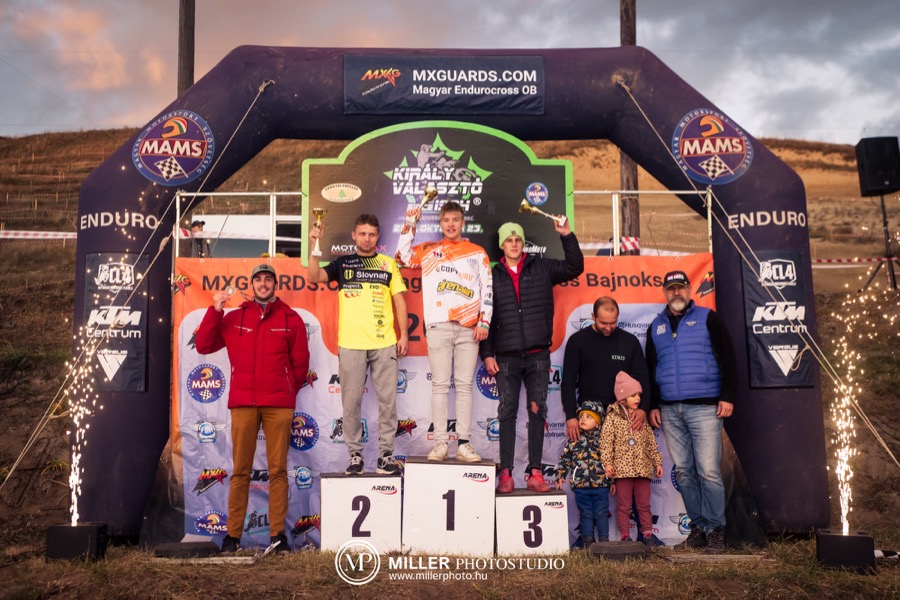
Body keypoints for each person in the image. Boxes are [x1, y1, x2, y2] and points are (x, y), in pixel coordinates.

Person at [195, 263, 310, 553]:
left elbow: (301, 364)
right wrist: (215, 310)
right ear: (252, 284)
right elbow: (203, 345)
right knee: (240, 471)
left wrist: (286, 390)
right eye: (258, 279)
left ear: (274, 284)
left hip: (278, 405)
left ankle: (278, 537)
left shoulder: (291, 318)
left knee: (278, 471)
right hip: (244, 403)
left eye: (268, 279)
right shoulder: (235, 317)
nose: (263, 283)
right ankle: (232, 537)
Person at [479, 219, 583, 493]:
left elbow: (575, 267)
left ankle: (535, 472)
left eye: (518, 240)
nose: (514, 244)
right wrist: (487, 353)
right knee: (506, 413)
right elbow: (486, 316)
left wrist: (567, 235)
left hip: (538, 354)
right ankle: (506, 474)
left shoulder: (542, 267)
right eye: (509, 240)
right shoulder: (491, 275)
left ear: (523, 243)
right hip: (506, 357)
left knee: (537, 412)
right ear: (502, 245)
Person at [307, 214, 408, 476]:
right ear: (354, 235)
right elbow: (313, 276)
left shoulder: (388, 264)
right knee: (351, 402)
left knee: (388, 401)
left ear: (378, 237)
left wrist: (404, 335)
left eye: (371, 234)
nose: (366, 238)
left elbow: (399, 301)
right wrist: (314, 244)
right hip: (351, 343)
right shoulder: (342, 263)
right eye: (362, 234)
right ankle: (355, 455)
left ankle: (385, 455)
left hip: (384, 342)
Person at [646, 270, 736, 554]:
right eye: (671, 289)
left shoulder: (708, 318)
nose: (676, 293)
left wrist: (728, 396)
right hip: (670, 410)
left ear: (689, 289)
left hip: (705, 408)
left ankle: (716, 531)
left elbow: (728, 357)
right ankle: (698, 528)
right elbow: (650, 369)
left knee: (708, 471)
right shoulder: (656, 326)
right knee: (684, 472)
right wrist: (653, 404)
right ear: (665, 292)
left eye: (681, 288)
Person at [396, 200, 492, 462]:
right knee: (439, 386)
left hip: (469, 328)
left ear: (462, 222)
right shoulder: (430, 250)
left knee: (464, 387)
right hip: (438, 326)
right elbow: (402, 257)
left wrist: (484, 321)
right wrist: (410, 223)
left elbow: (487, 288)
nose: (451, 224)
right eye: (446, 220)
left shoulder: (477, 252)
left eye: (455, 219)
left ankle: (463, 443)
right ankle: (440, 443)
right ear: (440, 223)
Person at [561, 296, 651, 443]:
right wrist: (570, 415)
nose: (608, 328)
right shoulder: (577, 341)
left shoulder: (630, 342)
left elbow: (642, 377)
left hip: (622, 415)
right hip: (589, 415)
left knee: (624, 458)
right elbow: (568, 382)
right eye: (603, 323)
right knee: (589, 458)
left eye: (613, 323)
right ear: (593, 316)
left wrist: (643, 408)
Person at [601, 371, 664, 546]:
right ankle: (625, 536)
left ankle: (647, 534)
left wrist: (657, 462)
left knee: (644, 505)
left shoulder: (641, 417)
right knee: (624, 506)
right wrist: (607, 463)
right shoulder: (612, 417)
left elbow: (651, 443)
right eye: (633, 395)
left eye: (639, 395)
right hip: (622, 471)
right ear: (622, 398)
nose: (638, 398)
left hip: (643, 469)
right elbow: (606, 442)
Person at [555, 400, 610, 545]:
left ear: (598, 422)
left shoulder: (604, 440)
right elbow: (565, 458)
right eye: (581, 416)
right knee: (585, 514)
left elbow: (610, 461)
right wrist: (560, 475)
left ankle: (604, 541)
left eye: (589, 417)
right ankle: (587, 541)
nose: (583, 419)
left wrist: (613, 481)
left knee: (601, 513)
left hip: (601, 485)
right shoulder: (574, 439)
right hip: (580, 486)